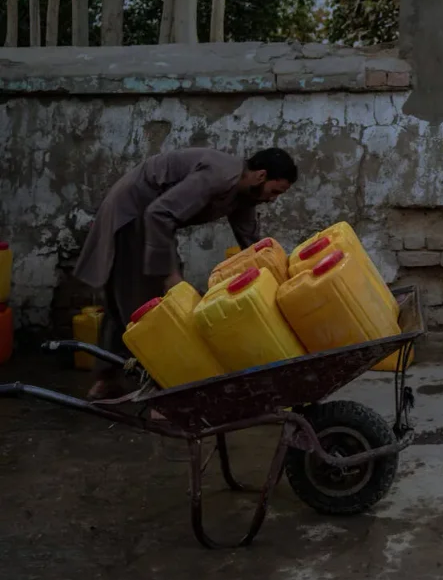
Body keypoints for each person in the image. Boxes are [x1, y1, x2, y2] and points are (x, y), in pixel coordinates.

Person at [73, 147, 298, 400]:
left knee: (128, 301)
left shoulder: (244, 192)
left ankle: (107, 380)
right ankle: (162, 391)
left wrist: (279, 274)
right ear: (261, 176)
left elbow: (252, 241)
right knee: (151, 306)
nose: (272, 199)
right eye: (275, 191)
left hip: (149, 219)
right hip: (133, 214)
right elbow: (159, 213)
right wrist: (170, 275)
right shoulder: (220, 176)